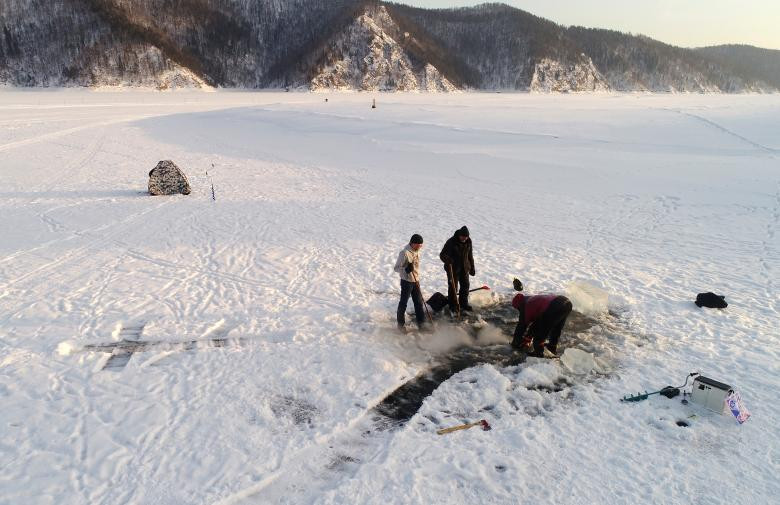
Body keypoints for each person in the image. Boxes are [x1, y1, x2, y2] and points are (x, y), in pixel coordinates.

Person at [510, 281, 572, 357]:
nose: (519, 310)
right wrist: (528, 337)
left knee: (541, 334)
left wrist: (515, 342)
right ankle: (552, 347)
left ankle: (538, 353)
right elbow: (537, 322)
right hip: (565, 303)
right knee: (556, 328)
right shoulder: (532, 299)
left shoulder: (527, 306)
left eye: (518, 308)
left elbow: (522, 325)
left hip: (554, 306)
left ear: (519, 305)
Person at [394, 234, 427, 332]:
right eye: (418, 245)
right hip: (406, 282)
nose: (420, 247)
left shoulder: (417, 251)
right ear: (412, 243)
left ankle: (422, 325)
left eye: (421, 245)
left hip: (416, 281)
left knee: (419, 303)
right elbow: (396, 268)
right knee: (403, 303)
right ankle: (400, 326)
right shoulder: (404, 253)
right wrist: (406, 269)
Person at [439, 226, 475, 314]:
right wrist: (448, 259)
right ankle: (453, 306)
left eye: (466, 237)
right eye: (463, 237)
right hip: (453, 269)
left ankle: (464, 303)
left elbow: (470, 255)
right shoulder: (451, 242)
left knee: (465, 286)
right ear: (459, 235)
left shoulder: (468, 241)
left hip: (465, 268)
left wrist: (472, 267)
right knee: (453, 288)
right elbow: (442, 254)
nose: (464, 238)